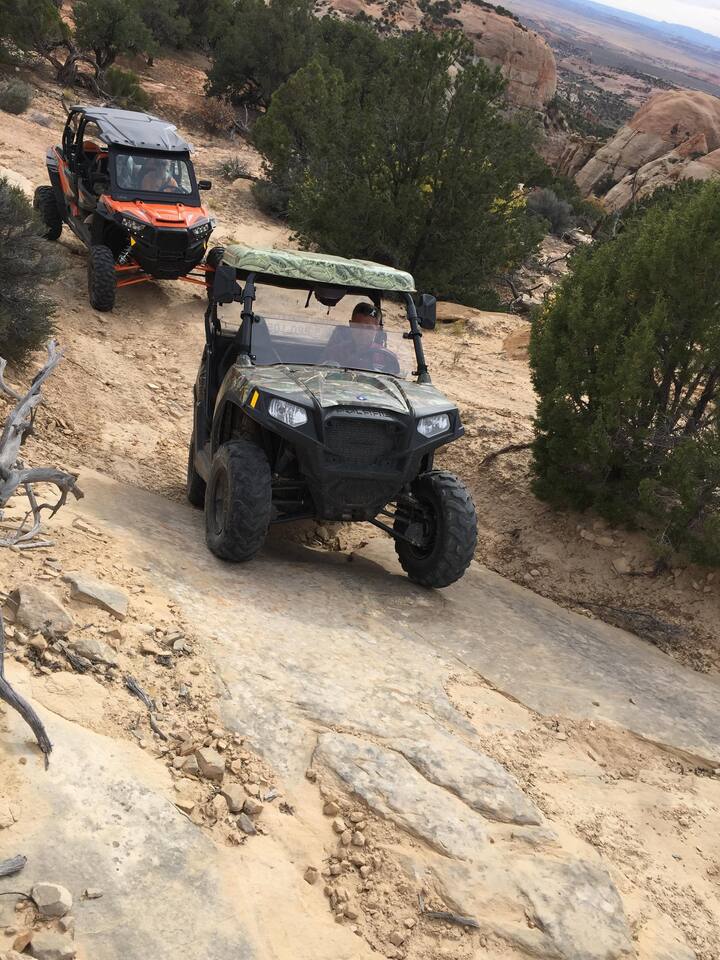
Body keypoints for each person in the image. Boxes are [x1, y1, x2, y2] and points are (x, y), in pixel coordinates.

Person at [323, 302, 399, 374]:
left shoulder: (387, 357)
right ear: (351, 325)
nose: (363, 332)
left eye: (369, 328)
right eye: (358, 327)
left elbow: (393, 380)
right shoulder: (335, 352)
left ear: (378, 329)